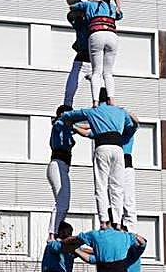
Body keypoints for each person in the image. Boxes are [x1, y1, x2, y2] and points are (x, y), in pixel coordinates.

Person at [55, 92, 138, 227]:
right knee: (116, 188)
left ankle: (104, 221)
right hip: (118, 150)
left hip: (102, 148)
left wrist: (63, 118)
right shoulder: (120, 112)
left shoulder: (94, 111)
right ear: (110, 98)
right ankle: (117, 222)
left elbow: (74, 115)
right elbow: (132, 125)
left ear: (97, 99)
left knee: (101, 185)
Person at [74, 0, 122, 105]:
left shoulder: (88, 4)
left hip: (96, 34)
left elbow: (72, 7)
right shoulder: (111, 6)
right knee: (108, 72)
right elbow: (120, 15)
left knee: (96, 72)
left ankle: (95, 101)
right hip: (112, 35)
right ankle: (111, 99)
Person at [45, 106, 83, 239]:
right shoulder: (59, 124)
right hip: (57, 164)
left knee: (64, 204)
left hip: (63, 166)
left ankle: (57, 229)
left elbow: (81, 128)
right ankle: (52, 234)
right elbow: (64, 122)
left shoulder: (67, 128)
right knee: (62, 202)